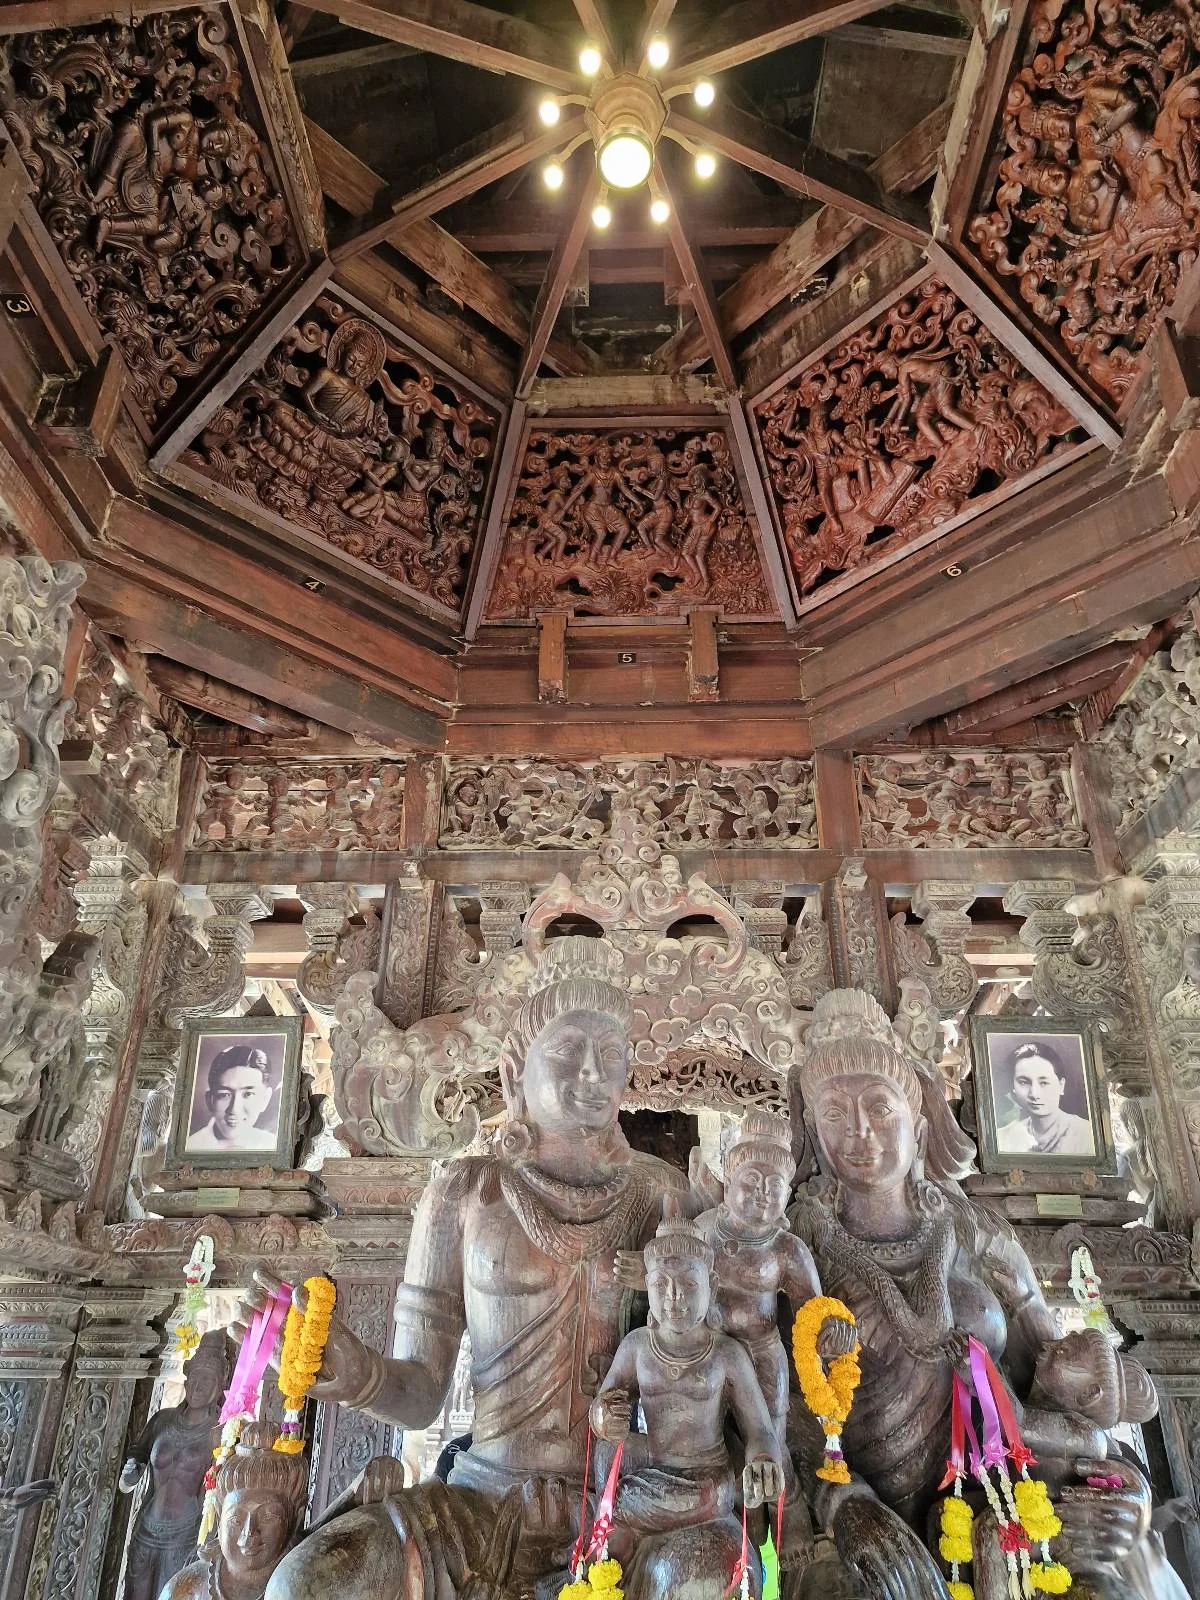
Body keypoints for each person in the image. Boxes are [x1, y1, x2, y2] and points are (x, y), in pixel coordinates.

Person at [590, 1219, 785, 1576]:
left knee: (708, 1496)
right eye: (660, 1285)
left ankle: (623, 1522)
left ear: (711, 1285)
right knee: (608, 1461)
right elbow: (604, 1405)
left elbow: (760, 1431)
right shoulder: (636, 1347)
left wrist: (763, 1461)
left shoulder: (727, 1355)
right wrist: (605, 1416)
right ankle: (613, 1523)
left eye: (689, 1284)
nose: (673, 1297)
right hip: (650, 1465)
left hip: (705, 1478)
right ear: (645, 1288)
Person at [160, 1422, 307, 1600]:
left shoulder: (310, 1579)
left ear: (296, 1518)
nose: (249, 1533)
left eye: (268, 1517)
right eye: (236, 1519)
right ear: (220, 1514)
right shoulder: (185, 1588)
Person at [995, 1040, 1094, 1156]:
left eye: (1044, 1083)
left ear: (1061, 1085)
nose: (1034, 1094)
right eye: (1024, 1082)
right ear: (1013, 1087)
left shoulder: (1087, 1134)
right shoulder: (1002, 1137)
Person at [187, 1046, 278, 1153]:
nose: (234, 1109)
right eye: (224, 1095)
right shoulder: (190, 1148)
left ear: (265, 1099)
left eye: (248, 1094)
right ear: (209, 1100)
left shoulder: (273, 1145)